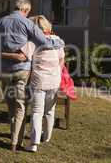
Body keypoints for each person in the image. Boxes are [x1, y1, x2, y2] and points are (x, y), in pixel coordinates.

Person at [0, 0, 64, 152]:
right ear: (26, 10)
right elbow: (44, 41)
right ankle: (15, 142)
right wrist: (59, 43)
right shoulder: (27, 23)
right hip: (22, 71)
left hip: (4, 70)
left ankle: (14, 138)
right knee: (20, 106)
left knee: (11, 106)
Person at [22, 15, 65, 153]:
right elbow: (61, 61)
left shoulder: (33, 42)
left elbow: (24, 58)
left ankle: (33, 143)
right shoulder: (57, 40)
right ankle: (46, 137)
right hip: (54, 80)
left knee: (36, 112)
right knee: (49, 110)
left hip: (39, 81)